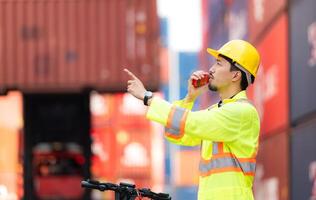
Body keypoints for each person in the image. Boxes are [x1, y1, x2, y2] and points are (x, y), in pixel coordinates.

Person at [124, 39, 260, 200]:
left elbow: (191, 122)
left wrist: (148, 98)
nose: (211, 69)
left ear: (236, 75)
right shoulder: (217, 112)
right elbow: (176, 134)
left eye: (218, 64)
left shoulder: (242, 112)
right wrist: (189, 98)